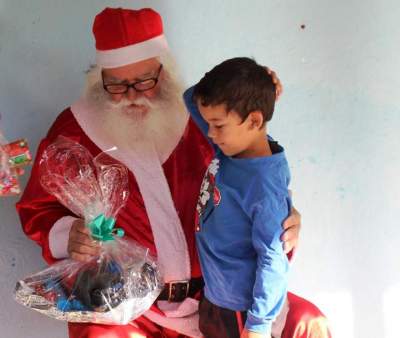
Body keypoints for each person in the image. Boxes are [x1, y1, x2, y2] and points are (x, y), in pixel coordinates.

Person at [16, 7, 330, 338]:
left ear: (166, 74)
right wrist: (71, 235)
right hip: (126, 306)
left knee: (308, 322)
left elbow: (255, 178)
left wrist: (285, 217)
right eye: (117, 85)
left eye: (144, 81)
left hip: (217, 297)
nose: (132, 96)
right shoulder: (74, 131)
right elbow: (38, 209)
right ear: (98, 79)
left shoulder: (206, 122)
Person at [183, 57, 291, 338]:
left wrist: (259, 325)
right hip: (216, 296)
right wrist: (257, 80)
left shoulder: (264, 185)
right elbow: (190, 97)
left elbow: (273, 259)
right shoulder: (230, 149)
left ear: (254, 120)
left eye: (218, 125)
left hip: (242, 311)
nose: (210, 133)